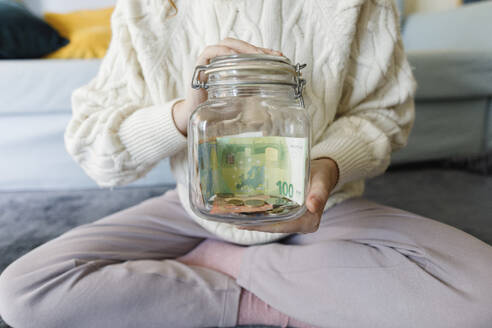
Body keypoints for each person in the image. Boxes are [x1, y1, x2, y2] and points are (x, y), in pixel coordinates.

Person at [1, 0, 492, 327]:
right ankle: (288, 294)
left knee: (483, 295)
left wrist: (326, 165)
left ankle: (224, 265)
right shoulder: (148, 8)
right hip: (197, 207)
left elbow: (383, 115)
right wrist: (184, 112)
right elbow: (91, 143)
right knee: (23, 293)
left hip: (320, 202)